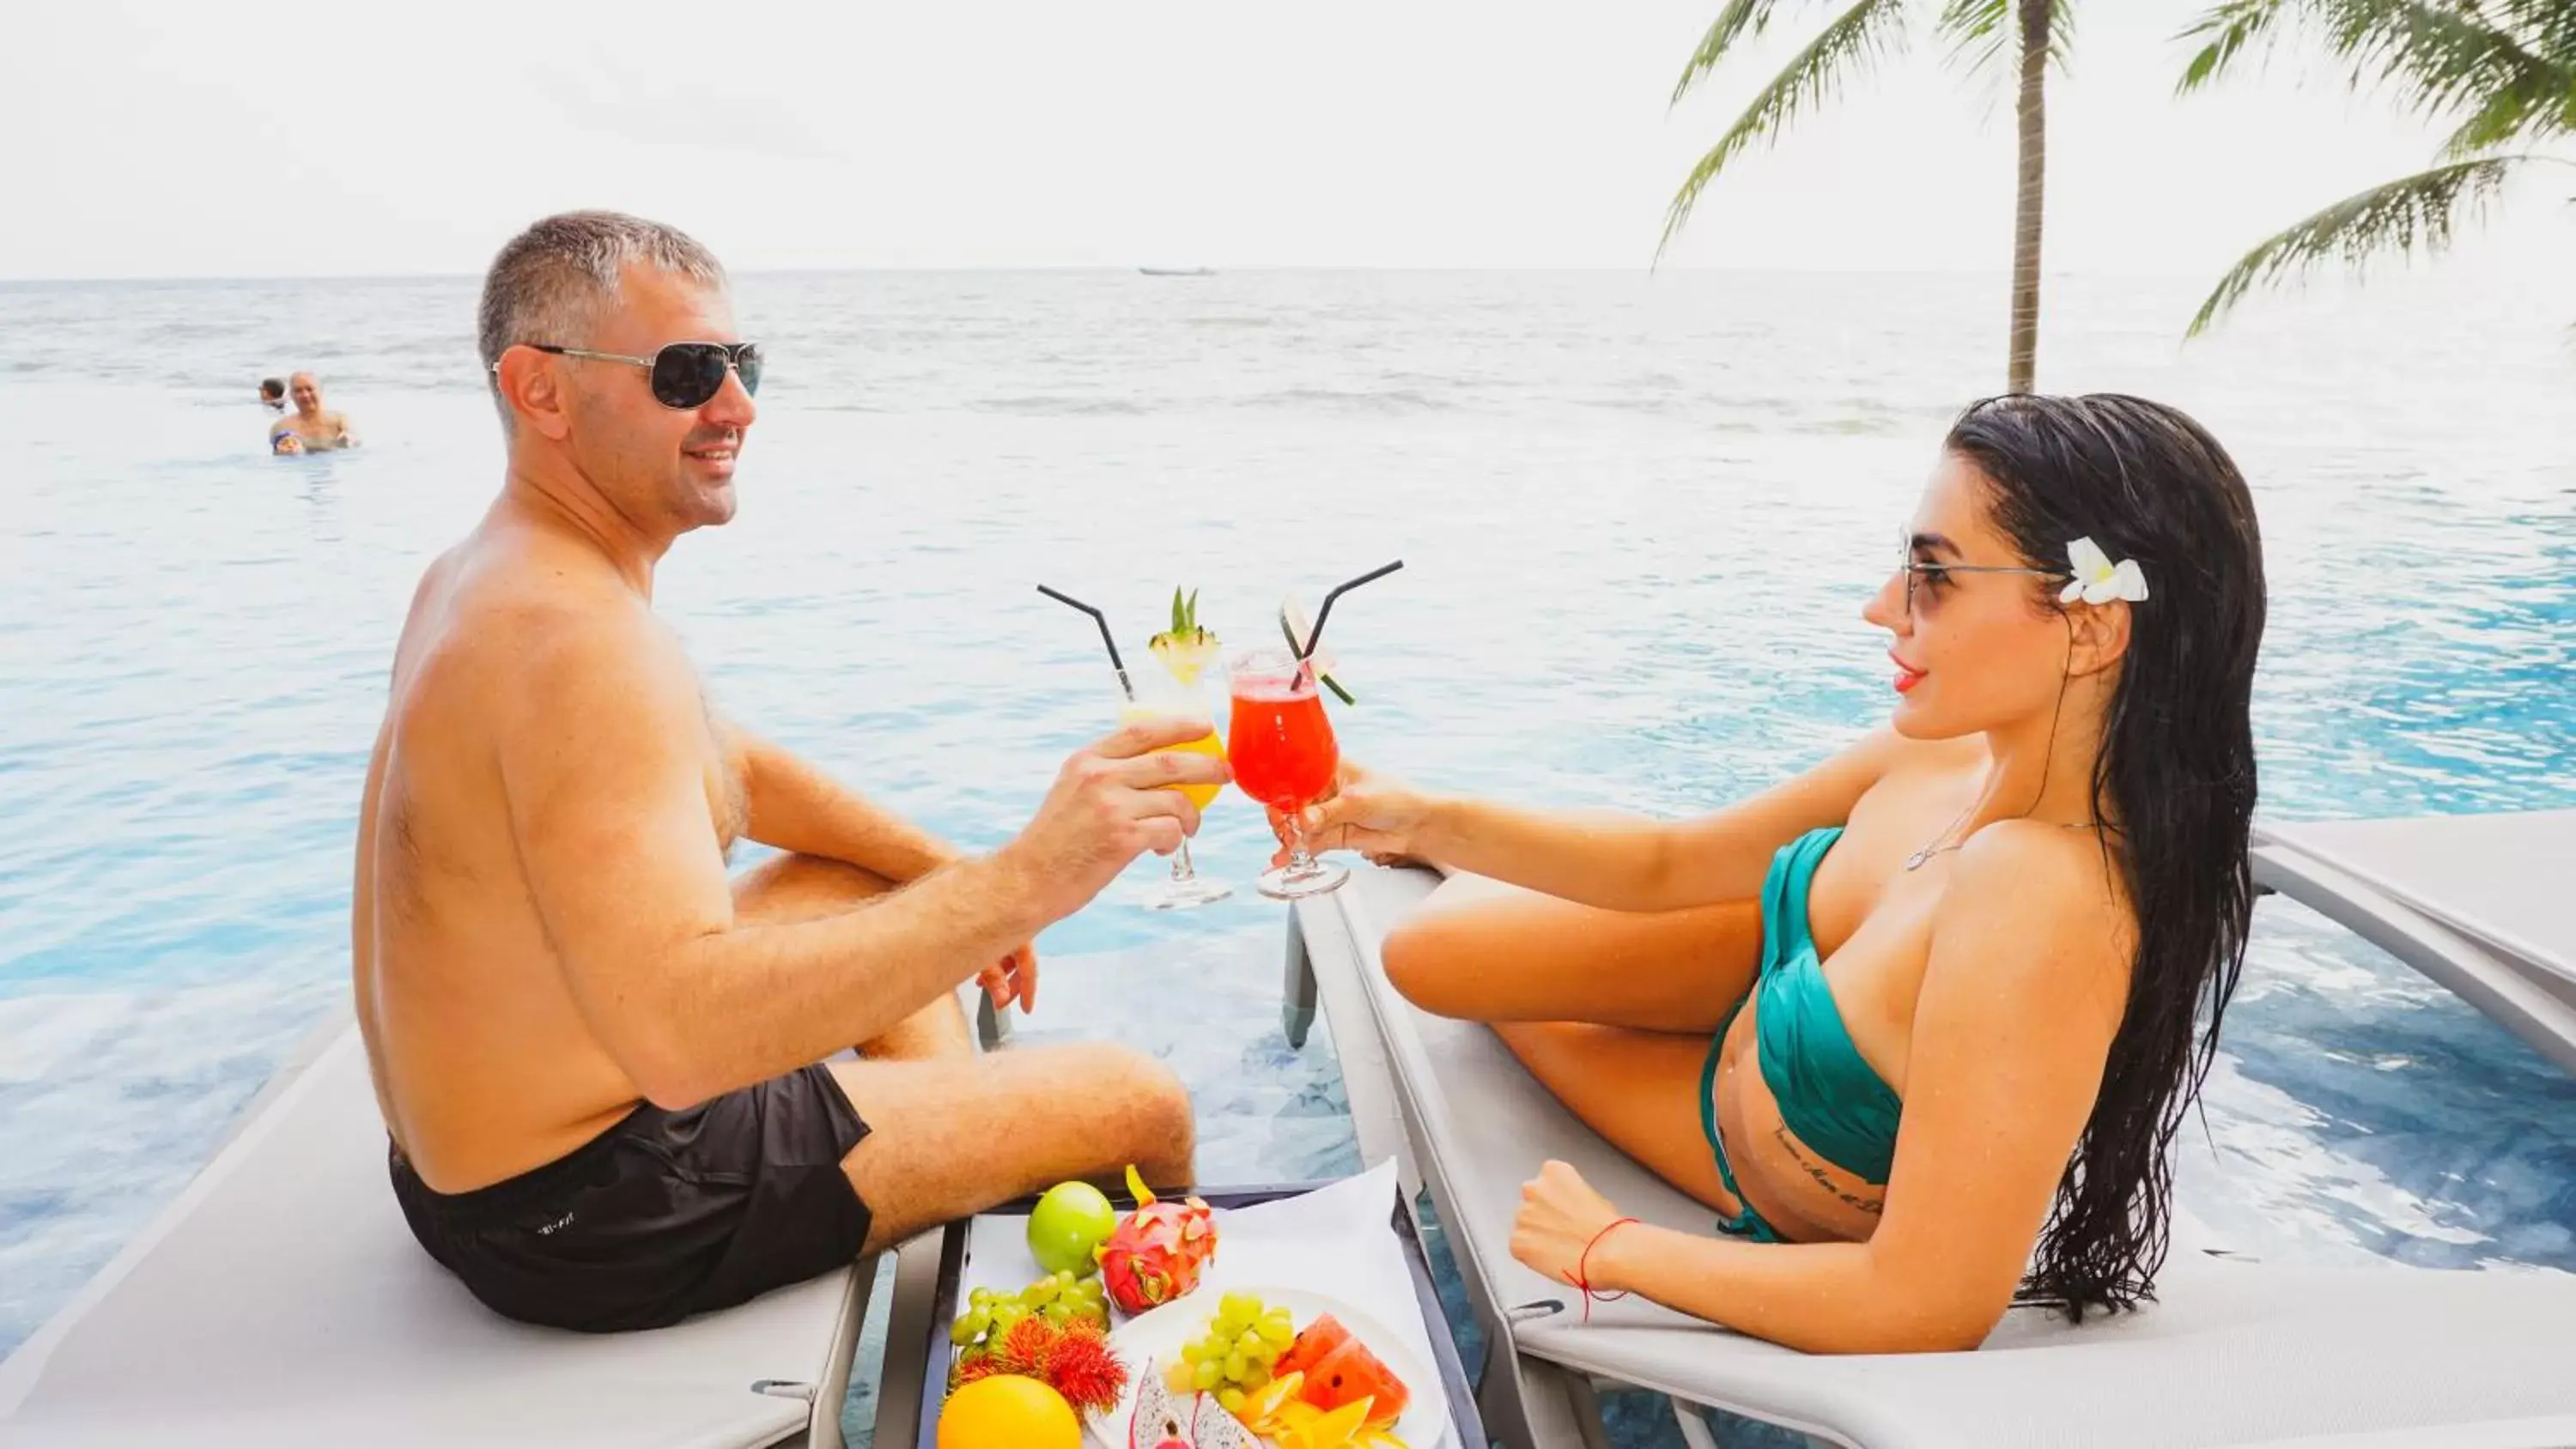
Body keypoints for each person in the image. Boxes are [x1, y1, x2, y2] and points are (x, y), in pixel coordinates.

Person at [354, 210, 1218, 1333]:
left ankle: (955, 1170)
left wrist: (937, 867)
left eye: (740, 364)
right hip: (594, 1216)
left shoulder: (489, 574)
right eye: (687, 371)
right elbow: (680, 1044)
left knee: (870, 886)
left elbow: (721, 759)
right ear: (542, 392)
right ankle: (1112, 1343)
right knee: (1136, 1101)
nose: (738, 406)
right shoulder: (579, 644)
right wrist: (1024, 879)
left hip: (459, 1176)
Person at [1278, 393, 2267, 1353]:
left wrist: (1616, 1249)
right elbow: (1680, 859)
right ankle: (1453, 850)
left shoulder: (2044, 894)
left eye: (1935, 577)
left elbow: (1927, 1302)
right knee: (1432, 950)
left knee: (1437, 953)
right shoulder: (1948, 753)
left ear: (2091, 626)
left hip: (1739, 1133)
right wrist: (1425, 816)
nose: (1883, 606)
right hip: (1770, 971)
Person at [270, 371, 358, 452]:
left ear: (320, 390)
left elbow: (354, 442)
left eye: (310, 389)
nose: (305, 395)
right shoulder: (281, 427)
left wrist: (348, 440)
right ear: (291, 395)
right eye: (298, 391)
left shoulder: (339, 420)